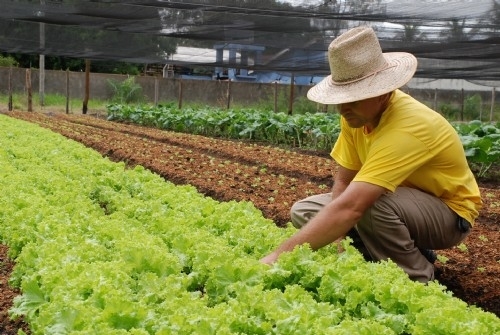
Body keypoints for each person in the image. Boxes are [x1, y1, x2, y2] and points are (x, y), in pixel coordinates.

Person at [260, 26, 482, 283]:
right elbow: (344, 181)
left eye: (354, 98)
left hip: (449, 214)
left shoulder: (409, 126)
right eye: (341, 98)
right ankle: (386, 255)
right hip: (401, 203)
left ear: (383, 93)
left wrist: (276, 257)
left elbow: (354, 206)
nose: (343, 108)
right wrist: (339, 241)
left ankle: (417, 276)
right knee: (305, 211)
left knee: (368, 205)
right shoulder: (356, 117)